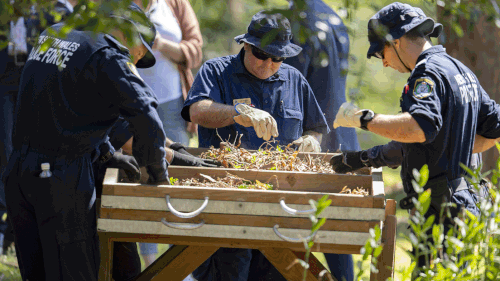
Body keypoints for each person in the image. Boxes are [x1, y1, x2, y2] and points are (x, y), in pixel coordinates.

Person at [3, 2, 171, 280]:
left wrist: (104, 151)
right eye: (141, 53)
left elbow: (68, 108)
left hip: (20, 174)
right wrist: (155, 174)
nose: (138, 61)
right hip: (61, 183)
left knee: (37, 272)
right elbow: (146, 113)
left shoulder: (54, 34)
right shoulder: (107, 53)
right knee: (74, 272)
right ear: (130, 35)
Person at [331, 2, 500, 266]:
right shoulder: (459, 70)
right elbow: (495, 126)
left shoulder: (428, 74)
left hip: (440, 212)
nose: (384, 63)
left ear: (396, 42)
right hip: (465, 205)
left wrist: (365, 120)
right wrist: (460, 145)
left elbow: (418, 128)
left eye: (380, 53)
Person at [182, 11, 329, 281]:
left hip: (283, 205)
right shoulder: (217, 70)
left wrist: (312, 141)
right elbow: (196, 110)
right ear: (246, 45)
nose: (268, 64)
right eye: (261, 55)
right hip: (226, 202)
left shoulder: (294, 78)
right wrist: (239, 112)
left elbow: (316, 128)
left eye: (277, 58)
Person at [285, 0, 358, 279]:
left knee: (285, 228)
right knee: (336, 233)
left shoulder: (297, 20)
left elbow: (290, 85)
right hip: (341, 132)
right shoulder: (333, 16)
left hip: (313, 139)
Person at [136, 0, 203, 268]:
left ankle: (181, 262)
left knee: (180, 178)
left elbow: (195, 51)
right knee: (144, 179)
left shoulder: (175, 4)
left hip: (174, 104)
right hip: (135, 106)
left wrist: (159, 43)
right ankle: (150, 262)